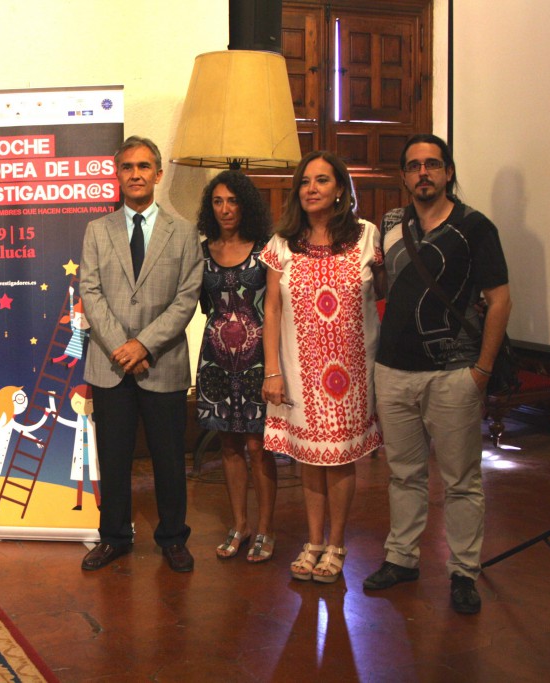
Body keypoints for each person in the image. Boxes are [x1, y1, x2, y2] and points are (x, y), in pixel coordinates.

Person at [363, 134, 511, 615]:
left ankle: (464, 571)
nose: (422, 173)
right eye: (413, 166)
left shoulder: (475, 227)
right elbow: (388, 284)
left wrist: (481, 371)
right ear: (403, 176)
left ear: (448, 172)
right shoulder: (389, 224)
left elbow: (500, 300)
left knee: (461, 480)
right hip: (394, 371)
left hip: (453, 374)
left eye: (432, 164)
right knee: (402, 475)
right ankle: (402, 558)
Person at [79, 136, 204, 573]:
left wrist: (145, 344)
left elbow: (187, 298)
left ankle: (172, 537)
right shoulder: (97, 230)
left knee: (169, 458)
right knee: (113, 457)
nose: (135, 174)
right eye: (128, 166)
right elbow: (90, 293)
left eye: (144, 166)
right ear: (118, 174)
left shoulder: (184, 232)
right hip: (109, 363)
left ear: (157, 174)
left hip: (163, 362)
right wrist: (123, 347)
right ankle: (114, 537)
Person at [260, 150, 384, 584]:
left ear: (339, 189)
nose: (311, 188)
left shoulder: (368, 236)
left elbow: (386, 296)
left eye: (322, 180)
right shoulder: (281, 243)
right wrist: (271, 370)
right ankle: (312, 543)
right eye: (305, 181)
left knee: (340, 458)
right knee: (309, 458)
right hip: (299, 370)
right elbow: (272, 309)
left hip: (352, 371)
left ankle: (337, 543)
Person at [195, 170, 278, 562]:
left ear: (246, 204)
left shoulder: (267, 249)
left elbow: (279, 307)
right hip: (215, 360)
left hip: (259, 360)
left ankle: (265, 529)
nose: (225, 209)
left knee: (258, 445)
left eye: (232, 200)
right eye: (217, 201)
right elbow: (197, 305)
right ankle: (240, 524)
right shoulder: (201, 250)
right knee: (228, 444)